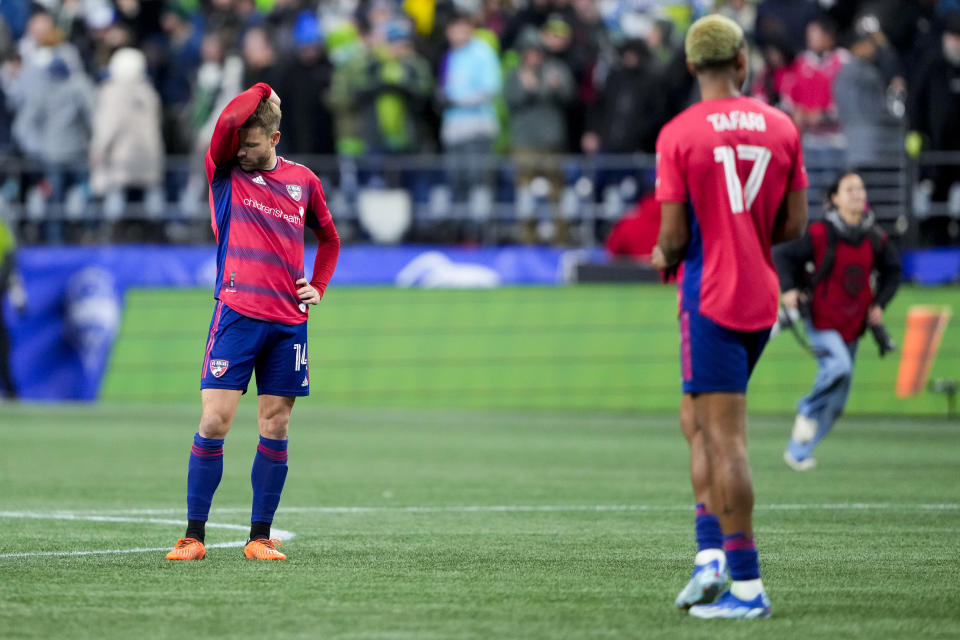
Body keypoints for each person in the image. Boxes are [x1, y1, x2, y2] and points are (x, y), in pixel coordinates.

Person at [651, 14, 808, 619]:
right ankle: (709, 558)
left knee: (724, 439)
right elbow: (793, 226)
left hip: (710, 292)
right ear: (742, 61)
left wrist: (669, 251)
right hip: (759, 292)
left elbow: (671, 235)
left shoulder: (680, 133)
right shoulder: (781, 126)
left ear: (692, 67)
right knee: (695, 420)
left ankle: (746, 586)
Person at [165, 82, 341, 561]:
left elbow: (329, 239)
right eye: (240, 143)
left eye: (253, 143)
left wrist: (317, 287)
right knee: (214, 420)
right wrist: (263, 89)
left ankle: (259, 537)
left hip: (288, 321)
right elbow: (225, 124)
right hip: (236, 314)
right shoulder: (225, 173)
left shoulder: (304, 181)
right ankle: (193, 536)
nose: (242, 150)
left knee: (276, 425)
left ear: (275, 139)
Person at [775, 171, 901, 470]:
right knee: (839, 367)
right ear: (834, 198)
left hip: (853, 325)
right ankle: (805, 409)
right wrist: (789, 289)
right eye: (849, 189)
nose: (857, 193)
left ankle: (798, 452)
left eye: (860, 188)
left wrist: (880, 304)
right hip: (821, 320)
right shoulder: (820, 232)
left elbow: (893, 271)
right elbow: (783, 256)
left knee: (837, 404)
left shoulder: (875, 237)